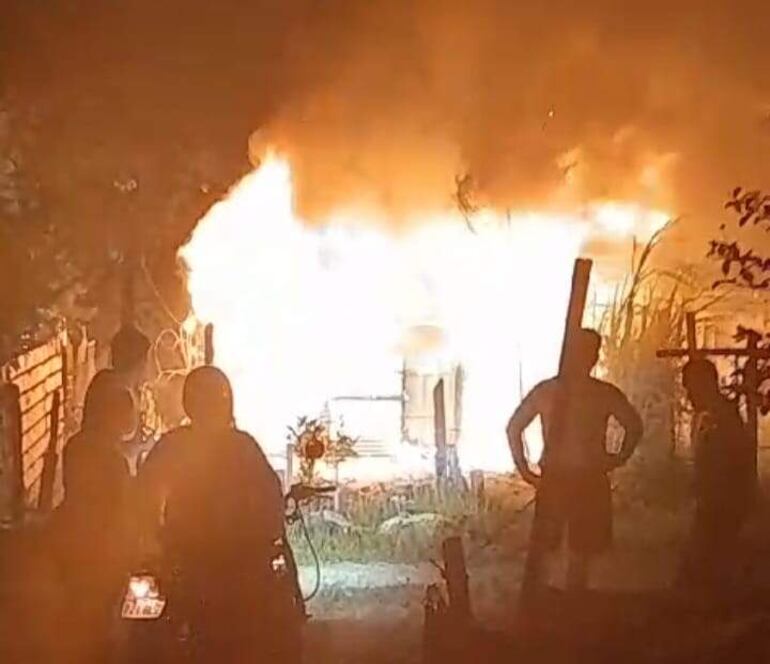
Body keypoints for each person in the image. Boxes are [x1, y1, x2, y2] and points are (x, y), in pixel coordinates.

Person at [139, 366, 288, 660]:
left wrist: (152, 539)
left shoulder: (172, 445)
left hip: (190, 563)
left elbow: (144, 497)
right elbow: (271, 500)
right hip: (227, 566)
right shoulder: (243, 446)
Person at [506, 328, 643, 597]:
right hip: (585, 478)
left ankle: (547, 603)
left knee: (554, 547)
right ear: (592, 357)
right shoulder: (601, 393)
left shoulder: (548, 390)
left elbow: (514, 427)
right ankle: (569, 600)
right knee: (577, 551)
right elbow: (634, 426)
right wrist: (617, 459)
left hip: (560, 479)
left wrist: (525, 470)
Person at [56, 369, 136, 662]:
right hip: (100, 559)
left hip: (69, 551)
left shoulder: (75, 446)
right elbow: (122, 512)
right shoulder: (113, 460)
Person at [678, 358, 755, 589]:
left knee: (708, 564)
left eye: (691, 387)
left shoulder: (721, 417)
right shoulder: (708, 416)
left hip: (722, 504)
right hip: (713, 502)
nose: (689, 395)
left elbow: (731, 461)